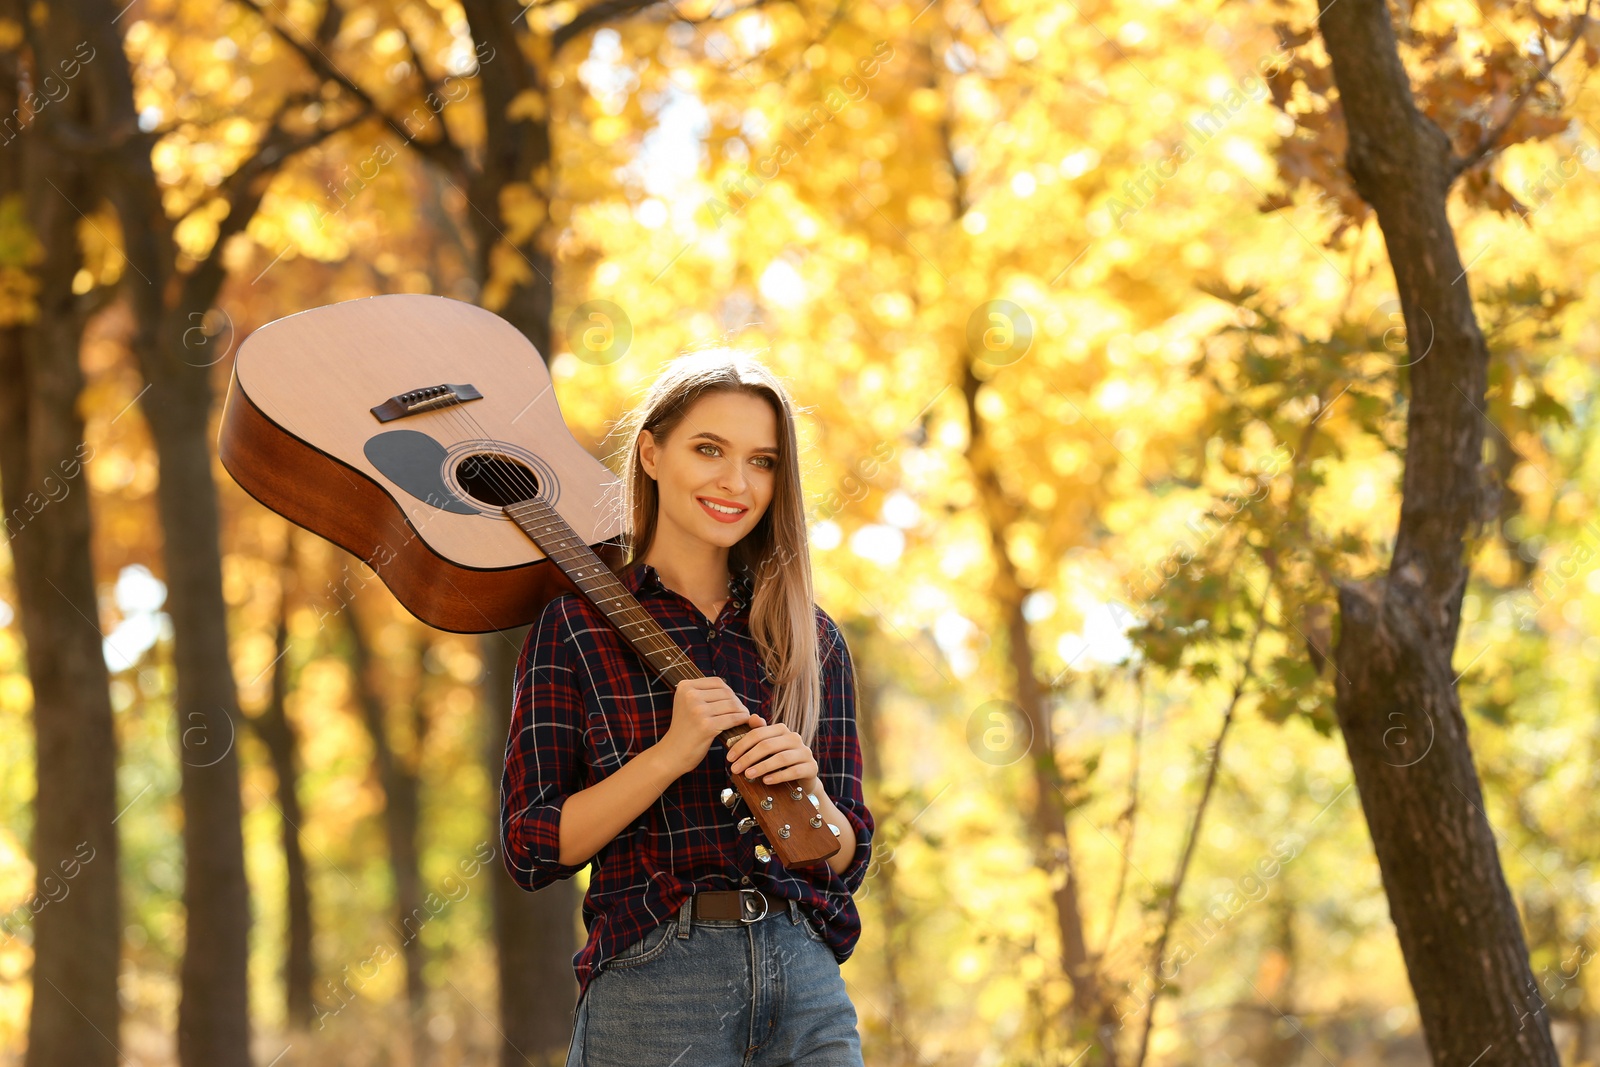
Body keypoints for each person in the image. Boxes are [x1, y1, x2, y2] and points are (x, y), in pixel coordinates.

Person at [500, 348, 874, 1067]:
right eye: (710, 449)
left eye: (762, 461)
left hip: (805, 977)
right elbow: (530, 844)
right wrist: (670, 755)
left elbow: (848, 853)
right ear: (650, 451)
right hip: (657, 984)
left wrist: (816, 796)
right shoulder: (577, 627)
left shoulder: (808, 635)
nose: (736, 482)